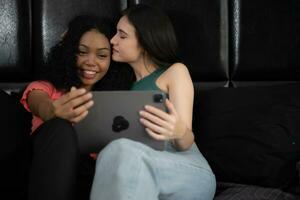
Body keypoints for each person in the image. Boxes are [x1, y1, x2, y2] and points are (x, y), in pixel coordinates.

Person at [90, 4, 216, 200]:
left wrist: (178, 131)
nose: (112, 40)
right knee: (115, 152)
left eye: (122, 35)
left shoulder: (175, 72)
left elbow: (184, 142)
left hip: (185, 169)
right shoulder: (122, 86)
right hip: (137, 170)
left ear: (146, 41)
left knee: (120, 150)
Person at [19, 15, 118, 200]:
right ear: (68, 53)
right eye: (81, 52)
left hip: (94, 182)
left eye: (102, 55)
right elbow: (40, 103)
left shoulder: (114, 102)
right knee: (60, 128)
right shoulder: (46, 88)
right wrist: (53, 111)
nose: (91, 62)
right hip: (46, 173)